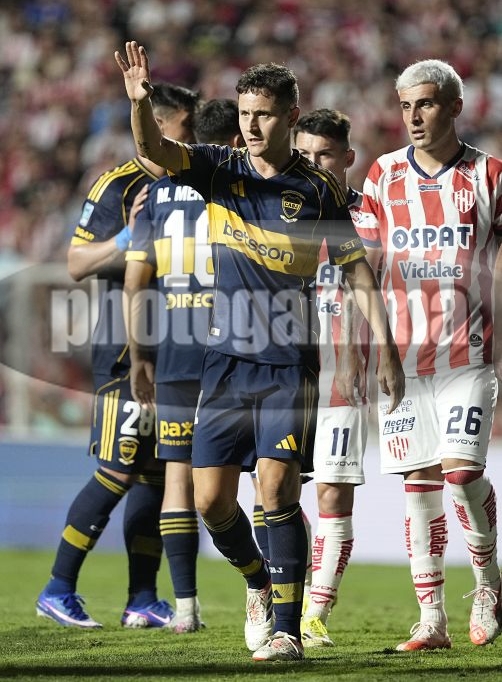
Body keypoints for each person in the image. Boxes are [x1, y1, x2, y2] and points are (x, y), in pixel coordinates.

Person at [115, 40, 404, 663]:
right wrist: (139, 102)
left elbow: (356, 270)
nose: (250, 125)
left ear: (290, 116)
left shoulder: (317, 189)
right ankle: (256, 581)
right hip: (224, 363)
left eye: (264, 114)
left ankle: (287, 631)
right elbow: (154, 149)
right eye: (245, 112)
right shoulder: (218, 167)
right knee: (210, 502)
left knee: (276, 490)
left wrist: (385, 347)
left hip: (288, 364)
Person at [36, 82, 201, 630]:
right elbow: (76, 263)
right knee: (118, 467)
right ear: (158, 127)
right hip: (123, 351)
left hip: (170, 351)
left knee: (152, 474)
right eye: (186, 127)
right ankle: (58, 587)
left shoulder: (189, 182)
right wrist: (130, 235)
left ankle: (142, 598)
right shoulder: (118, 184)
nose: (192, 138)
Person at [356, 58, 502, 651]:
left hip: (468, 355)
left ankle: (488, 583)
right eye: (406, 105)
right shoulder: (383, 176)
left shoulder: (490, 175)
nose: (413, 116)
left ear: (454, 107)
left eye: (426, 103)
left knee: (461, 474)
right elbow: (363, 270)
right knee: (418, 484)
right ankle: (432, 618)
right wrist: (375, 350)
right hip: (403, 361)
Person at [123, 97, 243, 633]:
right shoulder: (231, 182)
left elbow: (135, 283)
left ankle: (186, 608)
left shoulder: (155, 196)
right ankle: (271, 597)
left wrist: (140, 356)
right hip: (231, 351)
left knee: (177, 478)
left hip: (172, 351)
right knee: (264, 476)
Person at [293, 109, 372, 648]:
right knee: (274, 491)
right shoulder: (284, 209)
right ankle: (288, 579)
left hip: (345, 376)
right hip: (288, 373)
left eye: (324, 155)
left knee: (332, 493)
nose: (314, 164)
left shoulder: (370, 215)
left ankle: (315, 611)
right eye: (305, 155)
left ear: (347, 158)